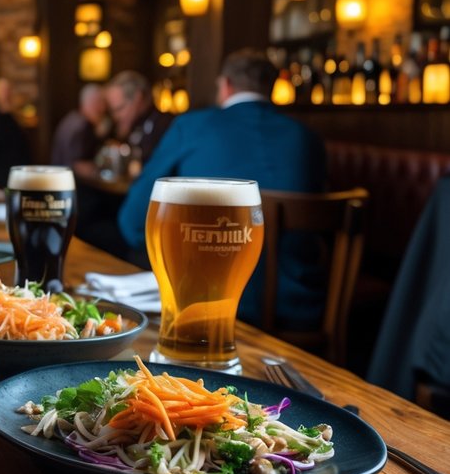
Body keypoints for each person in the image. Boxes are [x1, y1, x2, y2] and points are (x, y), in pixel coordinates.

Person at [117, 50, 327, 330]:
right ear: (273, 87)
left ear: (225, 85)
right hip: (300, 303)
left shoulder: (191, 126)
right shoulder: (307, 138)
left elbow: (132, 222)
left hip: (209, 304)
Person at [104, 70, 172, 166]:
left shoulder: (165, 125)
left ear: (137, 98)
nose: (116, 116)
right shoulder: (129, 126)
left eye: (119, 109)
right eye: (112, 111)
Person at [51, 83, 108, 167]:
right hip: (69, 178)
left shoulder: (72, 118)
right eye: (101, 102)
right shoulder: (83, 126)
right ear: (92, 102)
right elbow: (78, 165)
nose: (103, 108)